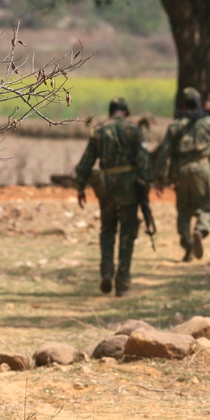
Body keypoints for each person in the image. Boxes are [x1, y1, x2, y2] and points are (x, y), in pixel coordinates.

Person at [75, 97, 152, 297]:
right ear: (125, 112)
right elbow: (144, 161)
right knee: (128, 232)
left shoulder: (99, 131)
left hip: (106, 187)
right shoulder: (134, 130)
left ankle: (107, 272)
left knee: (107, 230)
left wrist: (81, 185)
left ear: (110, 113)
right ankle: (123, 281)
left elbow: (86, 161)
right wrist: (146, 187)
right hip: (129, 189)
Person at [154, 87, 210, 262]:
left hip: (181, 170)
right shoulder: (207, 123)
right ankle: (200, 229)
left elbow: (165, 153)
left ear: (182, 104)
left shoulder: (175, 126)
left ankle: (188, 246)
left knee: (183, 211)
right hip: (202, 168)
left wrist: (160, 179)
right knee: (205, 206)